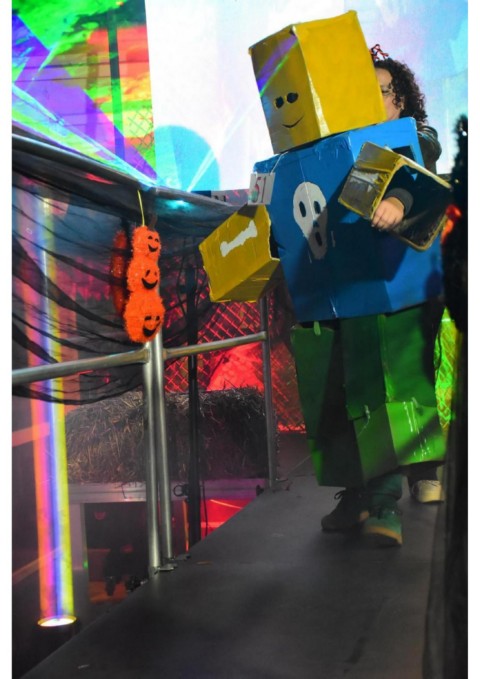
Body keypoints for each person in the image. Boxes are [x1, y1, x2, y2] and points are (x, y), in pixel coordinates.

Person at [319, 53, 446, 545]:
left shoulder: (416, 135)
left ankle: (392, 493)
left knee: (400, 380)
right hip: (350, 288)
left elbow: (419, 160)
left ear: (401, 98)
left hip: (404, 289)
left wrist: (398, 199)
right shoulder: (340, 147)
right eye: (364, 90)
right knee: (350, 387)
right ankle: (360, 493)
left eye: (383, 90)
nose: (373, 99)